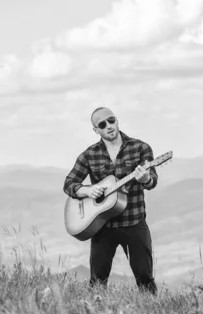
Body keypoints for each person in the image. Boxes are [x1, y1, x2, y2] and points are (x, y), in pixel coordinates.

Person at [63, 106, 158, 295]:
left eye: (111, 120)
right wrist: (87, 190)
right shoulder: (89, 155)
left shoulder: (140, 148)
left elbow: (152, 181)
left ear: (117, 120)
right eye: (102, 124)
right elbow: (69, 184)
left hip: (134, 223)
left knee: (145, 279)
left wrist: (145, 178)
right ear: (95, 130)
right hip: (102, 226)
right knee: (97, 282)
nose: (109, 126)